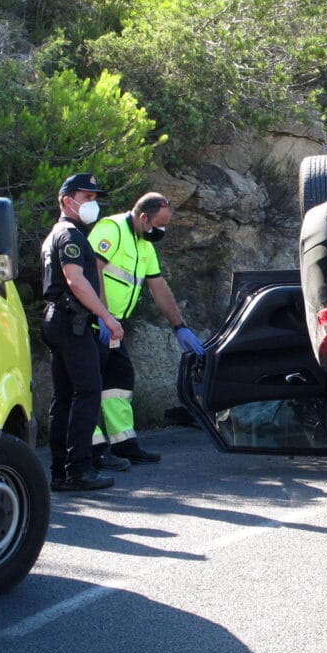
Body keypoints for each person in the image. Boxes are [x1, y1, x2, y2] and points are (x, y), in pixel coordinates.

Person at [88, 192, 205, 466]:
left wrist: (180, 327)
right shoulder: (112, 229)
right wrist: (103, 316)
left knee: (118, 383)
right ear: (143, 217)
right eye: (157, 225)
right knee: (88, 385)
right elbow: (92, 270)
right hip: (95, 323)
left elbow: (159, 288)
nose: (160, 231)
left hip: (114, 326)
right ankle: (91, 450)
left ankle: (124, 443)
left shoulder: (144, 245)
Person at [40, 174, 123, 492]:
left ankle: (60, 472)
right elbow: (76, 281)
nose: (92, 204)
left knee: (63, 398)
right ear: (66, 200)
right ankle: (79, 470)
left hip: (57, 320)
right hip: (71, 323)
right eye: (86, 198)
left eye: (93, 198)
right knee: (87, 392)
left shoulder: (55, 234)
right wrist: (106, 317)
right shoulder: (71, 235)